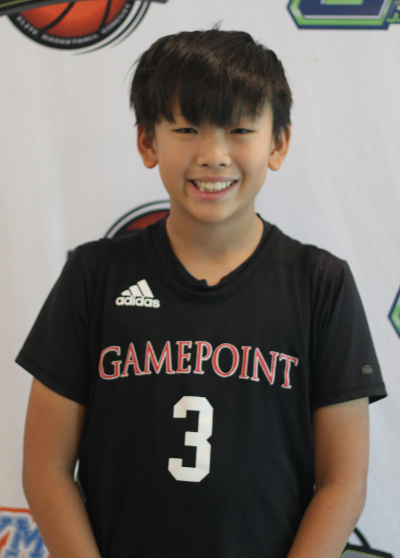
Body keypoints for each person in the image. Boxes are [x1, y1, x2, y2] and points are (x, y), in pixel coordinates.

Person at [17, 29, 386, 558]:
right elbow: (46, 467)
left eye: (240, 129)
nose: (213, 155)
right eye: (187, 128)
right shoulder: (93, 276)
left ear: (278, 143)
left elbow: (342, 482)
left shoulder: (320, 284)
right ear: (148, 141)